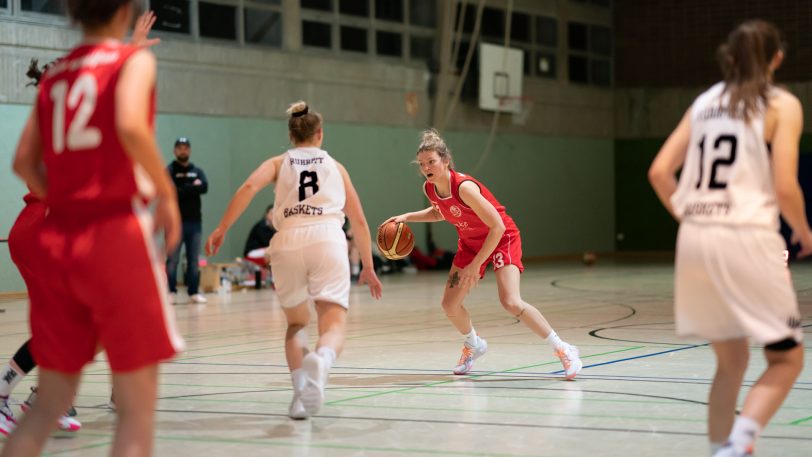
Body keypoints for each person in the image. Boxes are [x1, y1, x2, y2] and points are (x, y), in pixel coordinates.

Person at [6, 1, 184, 455]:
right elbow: (128, 124)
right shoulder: (133, 62)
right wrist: (166, 194)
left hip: (59, 237)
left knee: (48, 406)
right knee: (135, 416)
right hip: (113, 234)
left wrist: (67, 197)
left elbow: (24, 161)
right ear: (125, 11)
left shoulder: (55, 75)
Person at [648, 20, 808, 457]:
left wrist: (692, 215)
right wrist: (804, 230)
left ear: (730, 57)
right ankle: (739, 443)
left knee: (731, 361)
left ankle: (723, 448)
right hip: (746, 237)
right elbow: (786, 186)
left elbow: (660, 173)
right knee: (787, 357)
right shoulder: (781, 103)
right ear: (776, 58)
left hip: (695, 240)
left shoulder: (703, 103)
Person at [206, 101, 382, 419]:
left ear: (291, 134)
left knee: (297, 324)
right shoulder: (336, 167)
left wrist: (222, 228)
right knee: (333, 323)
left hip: (287, 241)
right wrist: (368, 266)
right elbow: (359, 221)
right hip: (327, 238)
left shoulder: (278, 162)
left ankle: (301, 396)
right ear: (320, 134)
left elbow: (248, 187)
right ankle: (323, 361)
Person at [385, 129, 583, 378]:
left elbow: (497, 226)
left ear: (446, 161)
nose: (426, 167)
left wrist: (474, 266)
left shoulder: (465, 188)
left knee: (510, 301)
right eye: (422, 164)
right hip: (471, 244)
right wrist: (407, 217)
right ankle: (474, 344)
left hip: (502, 239)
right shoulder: (430, 188)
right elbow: (440, 212)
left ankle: (563, 349)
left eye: (431, 161)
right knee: (449, 304)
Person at [167, 136, 209, 304]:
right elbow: (170, 191)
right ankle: (170, 291)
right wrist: (193, 187)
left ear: (189, 150)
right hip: (174, 223)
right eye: (179, 147)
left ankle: (193, 292)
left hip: (195, 223)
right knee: (172, 259)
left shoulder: (197, 171)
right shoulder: (169, 170)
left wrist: (183, 188)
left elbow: (205, 187)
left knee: (193, 260)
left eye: (185, 147)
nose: (183, 150)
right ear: (175, 150)